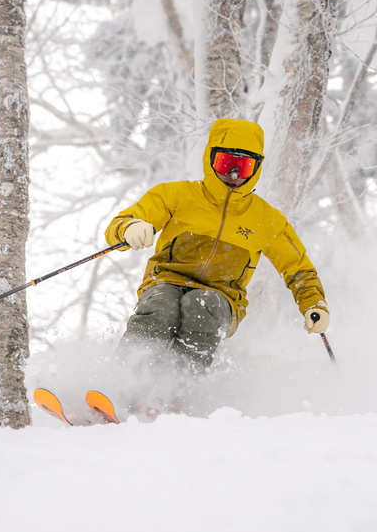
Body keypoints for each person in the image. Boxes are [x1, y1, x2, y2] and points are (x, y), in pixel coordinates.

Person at [104, 118, 329, 382]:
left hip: (222, 297)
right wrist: (130, 227)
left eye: (243, 166)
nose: (233, 175)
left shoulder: (267, 219)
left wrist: (313, 304)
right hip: (166, 281)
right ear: (211, 159)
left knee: (201, 305)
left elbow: (297, 267)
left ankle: (178, 388)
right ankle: (122, 380)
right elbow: (121, 223)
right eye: (226, 163)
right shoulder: (177, 196)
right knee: (161, 307)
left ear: (256, 168)